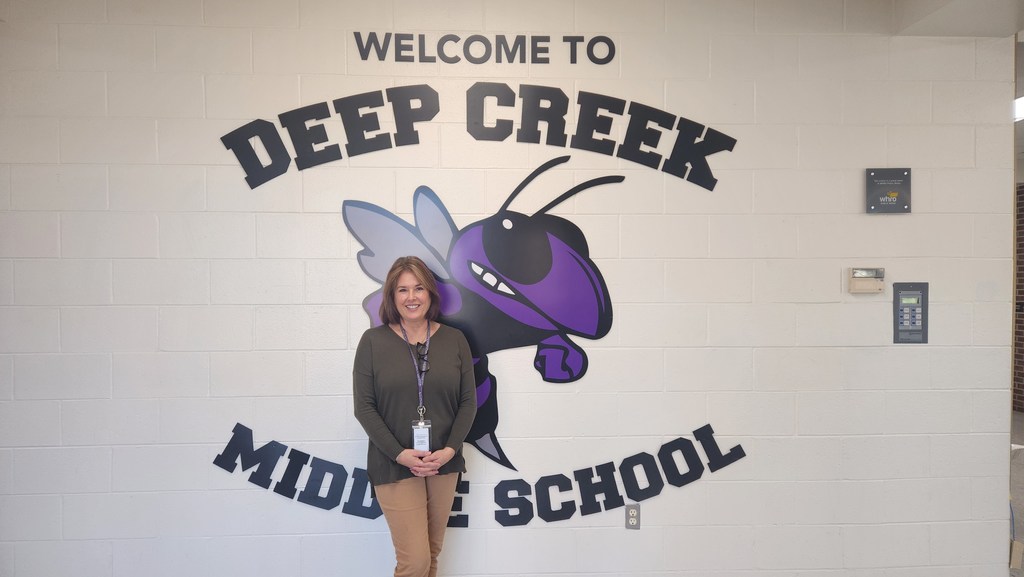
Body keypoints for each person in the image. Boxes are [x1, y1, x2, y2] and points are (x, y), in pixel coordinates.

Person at [353, 256, 477, 577]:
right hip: (394, 464)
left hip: (443, 462)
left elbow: (468, 403)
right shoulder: (372, 342)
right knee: (415, 562)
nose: (412, 297)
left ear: (430, 293)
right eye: (402, 290)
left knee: (431, 556)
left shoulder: (455, 340)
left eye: (419, 288)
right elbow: (364, 407)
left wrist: (449, 450)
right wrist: (400, 453)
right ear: (392, 297)